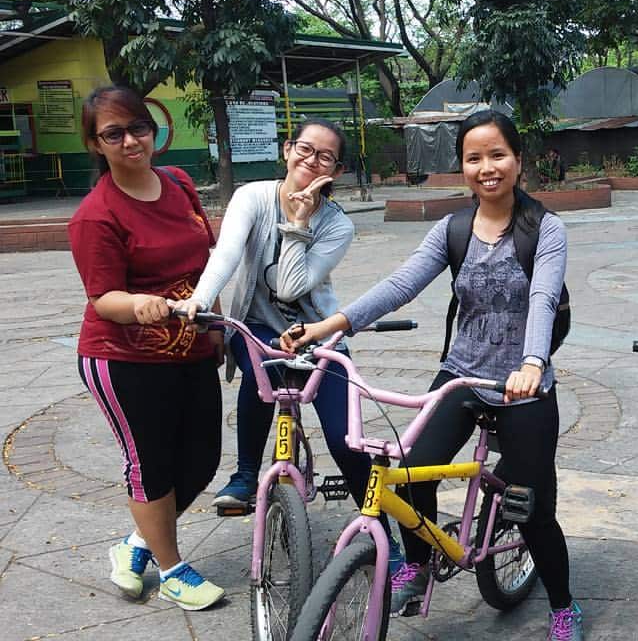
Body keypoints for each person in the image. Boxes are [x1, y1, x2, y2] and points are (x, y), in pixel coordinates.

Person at [282, 109, 585, 641]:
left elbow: (542, 300)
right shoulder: (454, 228)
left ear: (517, 161)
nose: (487, 167)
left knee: (532, 505)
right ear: (462, 166)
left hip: (524, 388)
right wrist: (326, 327)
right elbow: (401, 285)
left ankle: (563, 606)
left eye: (498, 155)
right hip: (461, 377)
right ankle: (418, 565)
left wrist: (533, 364)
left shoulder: (546, 229)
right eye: (474, 158)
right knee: (411, 469)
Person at [68, 85, 226, 610]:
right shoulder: (96, 215)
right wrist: (141, 303)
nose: (131, 141)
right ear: (96, 143)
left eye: (138, 127)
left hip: (191, 349)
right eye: (115, 133)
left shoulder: (179, 183)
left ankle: (136, 543)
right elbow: (102, 297)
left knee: (202, 460)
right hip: (125, 360)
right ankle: (172, 567)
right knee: (151, 465)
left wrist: (217, 324)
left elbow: (207, 262)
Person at [173, 118, 379, 517]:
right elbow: (228, 253)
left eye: (325, 157)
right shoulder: (253, 197)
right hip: (258, 326)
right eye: (305, 149)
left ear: (336, 171)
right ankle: (246, 473)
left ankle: (384, 535)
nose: (311, 161)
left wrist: (299, 224)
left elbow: (290, 287)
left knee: (344, 439)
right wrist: (200, 299)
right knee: (259, 364)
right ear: (287, 150)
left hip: (318, 334)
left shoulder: (337, 225)